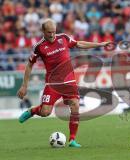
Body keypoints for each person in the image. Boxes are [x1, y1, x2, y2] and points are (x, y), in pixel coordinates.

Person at [17, 19, 110, 148]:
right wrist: (24, 85)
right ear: (43, 31)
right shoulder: (39, 47)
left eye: (54, 31)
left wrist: (99, 44)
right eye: (49, 32)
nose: (52, 35)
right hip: (52, 84)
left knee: (75, 105)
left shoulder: (63, 38)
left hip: (69, 81)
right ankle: (33, 111)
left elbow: (79, 44)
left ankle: (72, 140)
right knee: (45, 112)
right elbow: (29, 65)